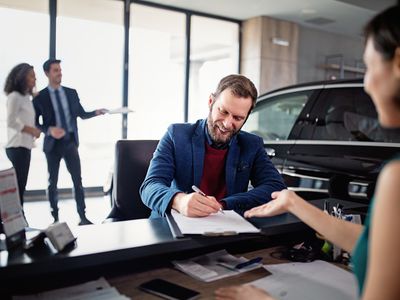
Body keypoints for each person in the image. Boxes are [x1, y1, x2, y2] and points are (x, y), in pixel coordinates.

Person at [215, 4, 400, 300]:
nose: (366, 83)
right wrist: (294, 203)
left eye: (369, 66)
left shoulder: (397, 176)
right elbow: (379, 246)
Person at [140, 74, 286, 218]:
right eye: (223, 111)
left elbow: (276, 188)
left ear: (247, 117)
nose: (227, 124)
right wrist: (179, 200)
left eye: (238, 118)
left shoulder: (252, 144)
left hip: (226, 227)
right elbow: (150, 187)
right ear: (211, 101)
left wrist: (224, 204)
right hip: (174, 226)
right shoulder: (176, 135)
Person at [33, 59, 107, 225]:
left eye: (60, 70)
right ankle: (55, 219)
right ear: (47, 73)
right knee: (53, 182)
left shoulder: (71, 93)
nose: (59, 73)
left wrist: (96, 112)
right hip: (52, 144)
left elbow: (81, 114)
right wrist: (49, 130)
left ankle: (82, 216)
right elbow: (35, 122)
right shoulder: (40, 97)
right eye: (55, 70)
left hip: (70, 143)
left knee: (77, 180)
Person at [4, 63, 41, 207]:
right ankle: (16, 219)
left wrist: (34, 131)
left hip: (25, 146)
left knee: (21, 185)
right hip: (16, 147)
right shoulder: (14, 97)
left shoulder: (26, 98)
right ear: (22, 77)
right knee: (18, 186)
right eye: (31, 76)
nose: (34, 79)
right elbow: (11, 122)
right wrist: (31, 130)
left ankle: (19, 216)